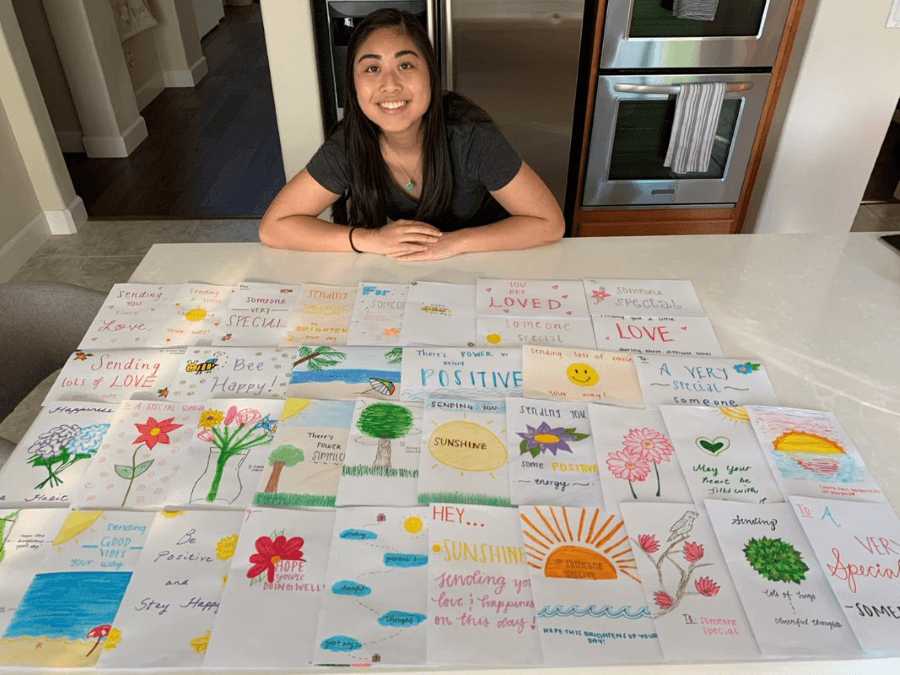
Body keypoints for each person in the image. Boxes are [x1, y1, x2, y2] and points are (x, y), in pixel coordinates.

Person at [259, 8, 564, 261]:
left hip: (494, 258)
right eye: (371, 69)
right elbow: (274, 227)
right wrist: (371, 239)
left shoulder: (470, 136)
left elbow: (549, 224)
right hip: (420, 274)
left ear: (431, 75)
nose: (389, 84)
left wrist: (454, 243)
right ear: (353, 86)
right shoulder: (349, 144)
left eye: (405, 65)